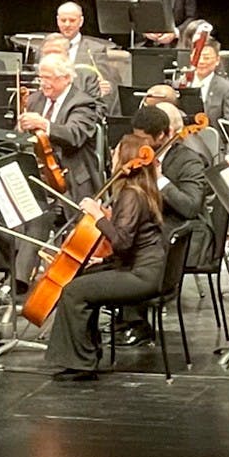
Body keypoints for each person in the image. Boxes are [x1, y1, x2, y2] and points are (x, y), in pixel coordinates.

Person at [45, 132, 167, 381]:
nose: (111, 156)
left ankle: (82, 362)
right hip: (143, 268)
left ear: (125, 158)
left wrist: (97, 216)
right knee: (84, 277)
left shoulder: (132, 194)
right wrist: (105, 261)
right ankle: (86, 355)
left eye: (115, 152)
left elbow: (122, 241)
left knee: (75, 290)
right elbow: (133, 243)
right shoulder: (142, 189)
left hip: (142, 276)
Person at [0, 53, 101, 296]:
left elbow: (74, 135)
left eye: (49, 79)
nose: (44, 83)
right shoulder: (36, 99)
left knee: (37, 213)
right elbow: (23, 137)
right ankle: (13, 266)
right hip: (33, 172)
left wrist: (44, 125)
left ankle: (19, 282)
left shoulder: (82, 103)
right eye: (41, 77)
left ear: (66, 78)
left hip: (67, 179)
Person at [113, 104, 208, 346]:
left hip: (178, 232)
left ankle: (137, 322)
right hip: (149, 228)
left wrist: (159, 179)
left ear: (163, 136)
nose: (139, 144)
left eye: (144, 139)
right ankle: (118, 312)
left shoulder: (190, 161)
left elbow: (190, 207)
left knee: (138, 243)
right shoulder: (135, 153)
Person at [55, 0, 121, 113]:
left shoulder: (96, 49)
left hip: (83, 107)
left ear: (81, 21)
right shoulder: (48, 47)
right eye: (63, 20)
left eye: (72, 20)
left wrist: (107, 87)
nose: (67, 24)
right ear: (57, 21)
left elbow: (105, 83)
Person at [190, 38, 229, 133]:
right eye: (197, 56)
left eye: (206, 58)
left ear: (217, 60)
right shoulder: (180, 83)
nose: (201, 61)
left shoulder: (226, 88)